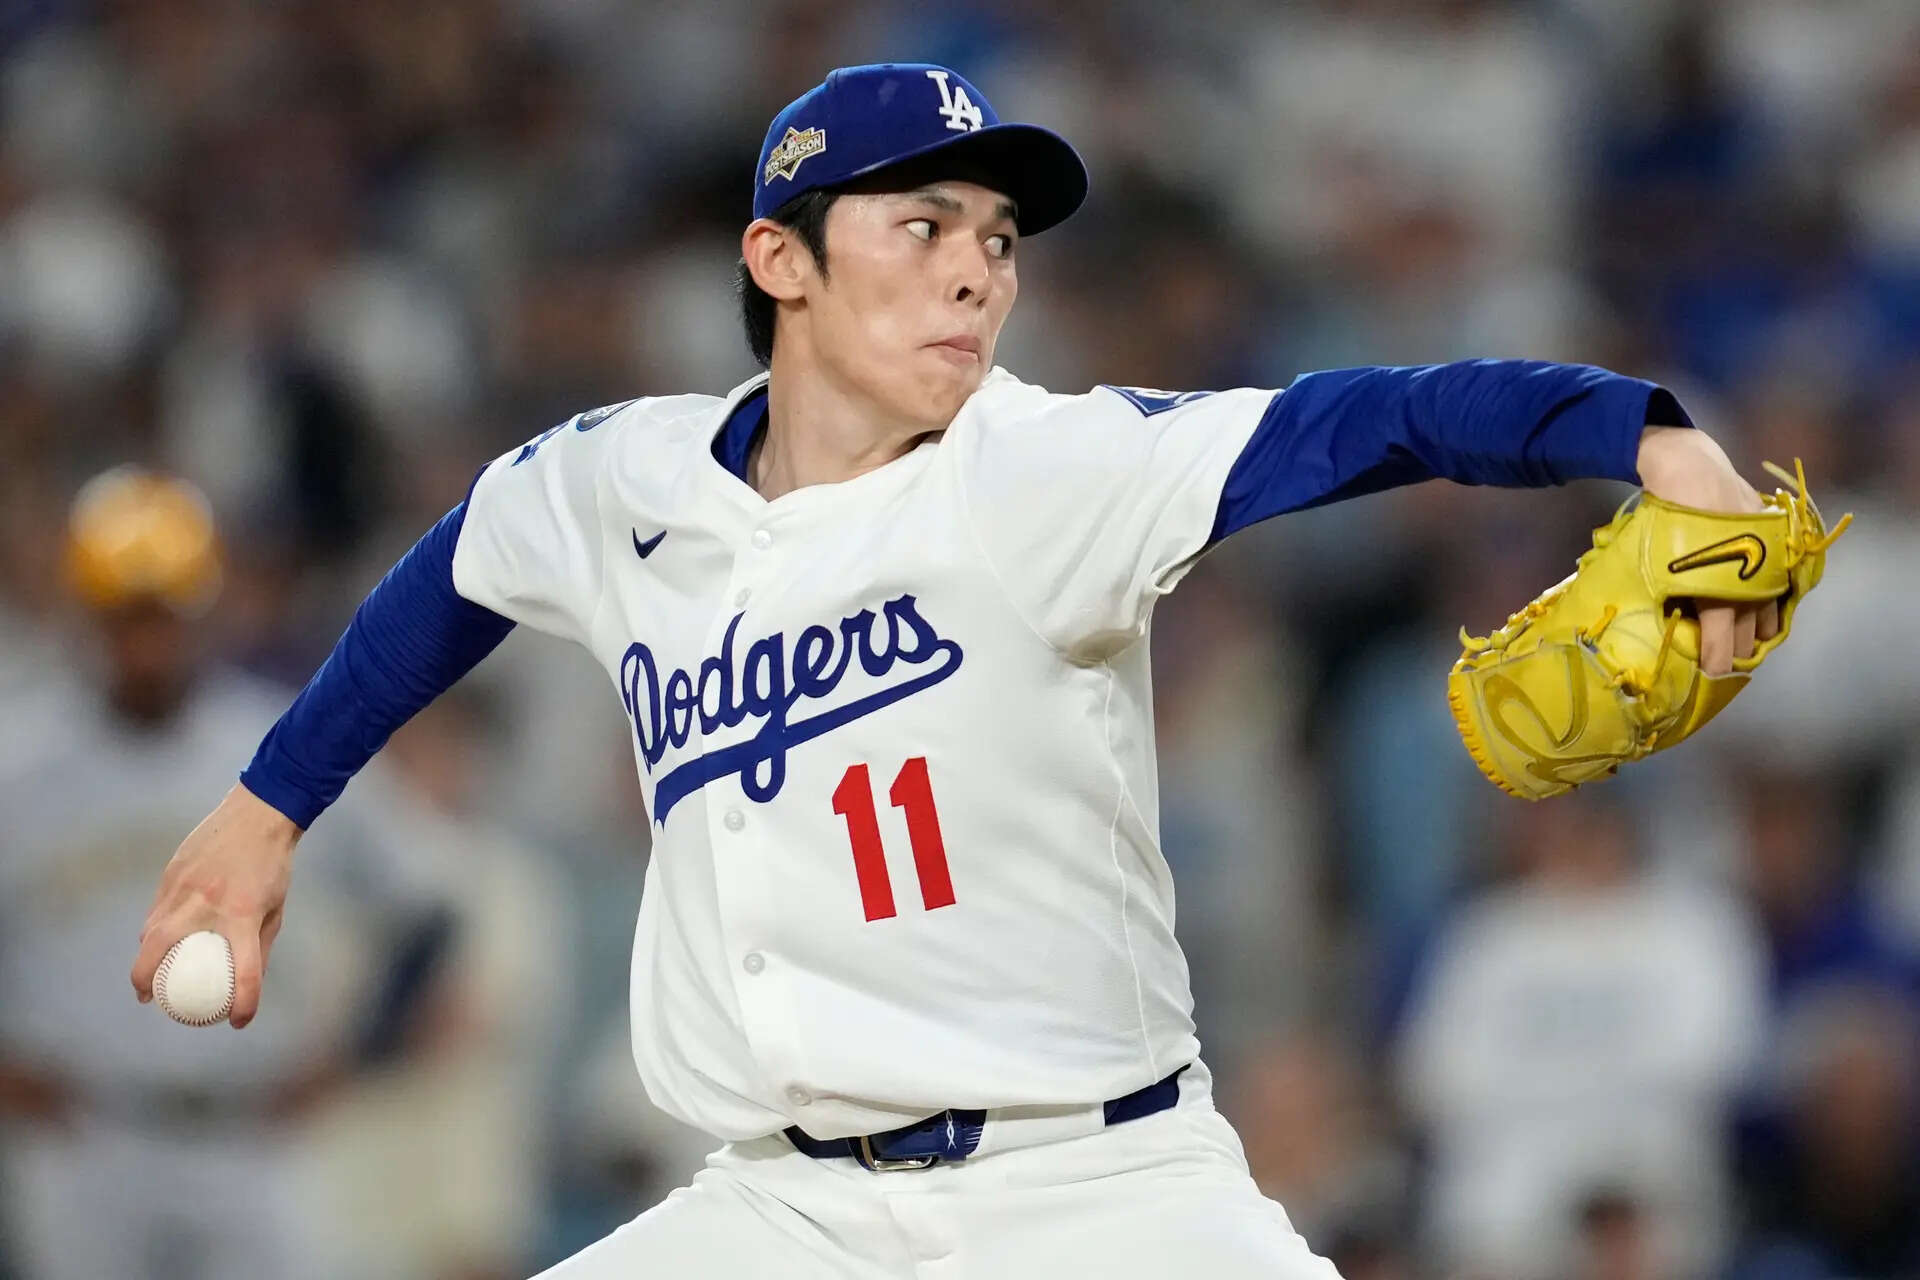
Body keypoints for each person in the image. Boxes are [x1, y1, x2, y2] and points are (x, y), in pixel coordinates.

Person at [131, 63, 1789, 1278]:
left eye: (996, 235)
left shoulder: (1047, 469)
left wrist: (1642, 429)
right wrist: (271, 805)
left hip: (1102, 1195)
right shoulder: (624, 483)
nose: (978, 268)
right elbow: (458, 569)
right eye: (921, 223)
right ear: (780, 261)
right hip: (784, 1208)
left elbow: (1374, 419)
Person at [0, 468, 433, 1280]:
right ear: (86, 616)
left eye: (162, 615)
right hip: (81, 1135)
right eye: (125, 616)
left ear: (201, 613)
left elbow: (426, 910)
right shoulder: (18, 760)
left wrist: (360, 1052)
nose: (145, 640)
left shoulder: (285, 740)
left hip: (253, 1135)